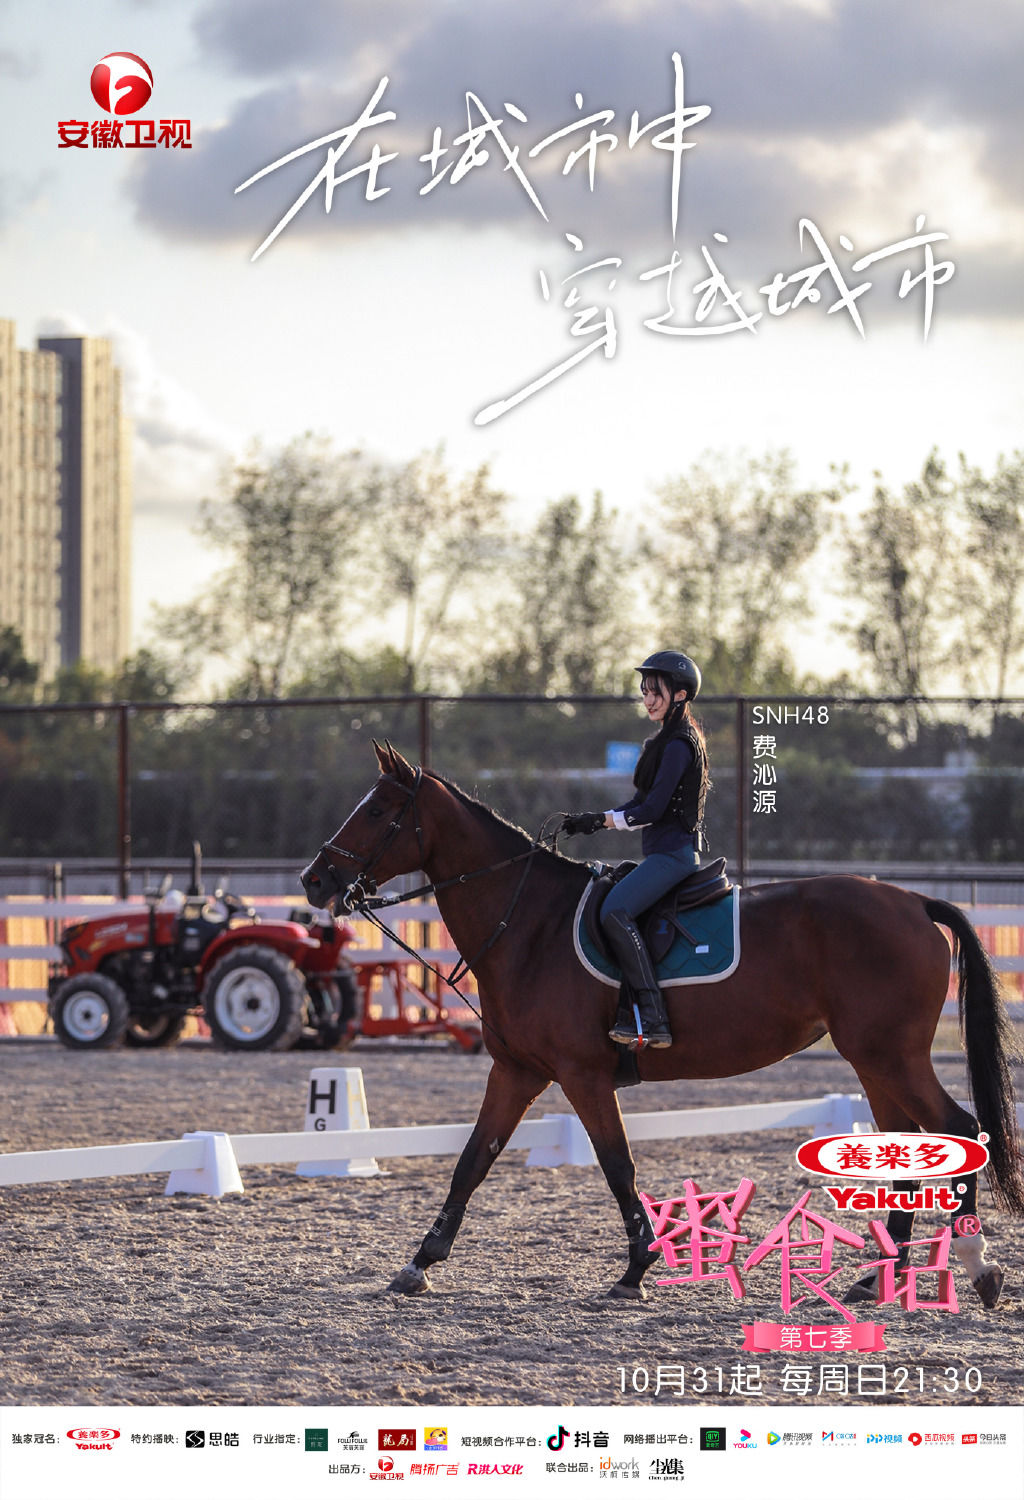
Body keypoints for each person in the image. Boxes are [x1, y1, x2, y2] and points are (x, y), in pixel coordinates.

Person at [561, 650, 709, 1048]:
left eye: (655, 692)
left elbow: (653, 810)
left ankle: (652, 1012)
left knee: (614, 910)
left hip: (674, 857)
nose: (647, 700)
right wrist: (595, 818)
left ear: (679, 695)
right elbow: (638, 804)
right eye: (644, 692)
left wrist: (605, 821)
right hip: (659, 855)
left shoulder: (679, 744)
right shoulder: (662, 742)